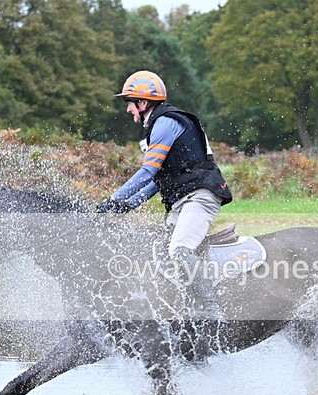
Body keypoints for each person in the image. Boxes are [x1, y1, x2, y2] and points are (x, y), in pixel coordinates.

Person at [97, 70, 232, 319]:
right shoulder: (156, 126)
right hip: (182, 200)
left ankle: (211, 307)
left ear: (143, 103)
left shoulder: (165, 124)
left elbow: (147, 172)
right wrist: (128, 205)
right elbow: (158, 181)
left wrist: (114, 199)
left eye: (130, 103)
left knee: (180, 250)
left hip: (200, 197)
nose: (128, 110)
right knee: (158, 254)